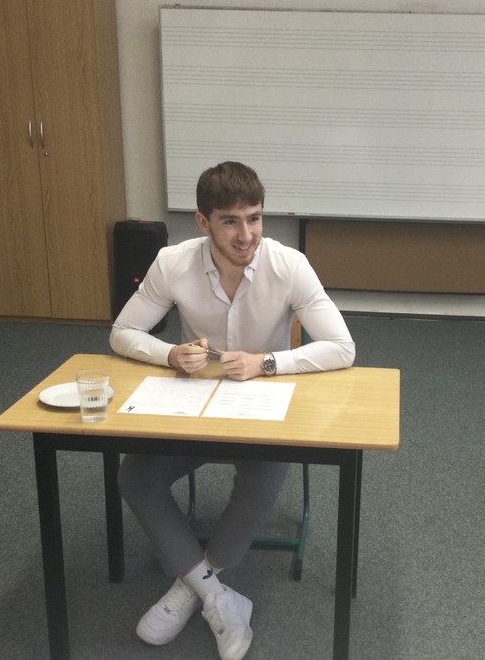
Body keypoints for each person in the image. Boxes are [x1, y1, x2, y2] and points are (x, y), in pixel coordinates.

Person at [109, 161, 355, 660]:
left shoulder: (289, 265)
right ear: (203, 222)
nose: (246, 235)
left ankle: (193, 587)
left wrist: (267, 362)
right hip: (192, 405)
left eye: (254, 218)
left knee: (263, 479)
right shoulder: (172, 262)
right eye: (230, 221)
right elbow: (122, 332)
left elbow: (342, 347)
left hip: (262, 405)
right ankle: (217, 596)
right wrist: (169, 354)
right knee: (135, 477)